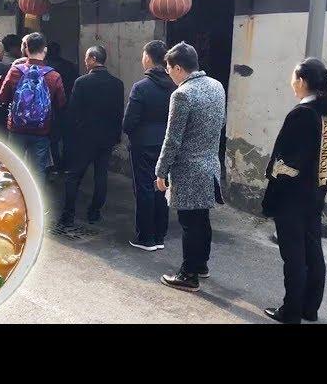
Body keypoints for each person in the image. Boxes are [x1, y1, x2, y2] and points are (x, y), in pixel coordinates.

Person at [262, 58, 327, 324]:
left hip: (292, 198)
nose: (291, 82)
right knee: (313, 251)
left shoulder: (301, 114)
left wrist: (274, 175)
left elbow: (286, 162)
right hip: (316, 195)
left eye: (294, 77)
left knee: (294, 256)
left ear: (302, 81)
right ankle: (310, 308)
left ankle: (291, 311)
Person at [155, 41, 226, 292]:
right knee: (201, 219)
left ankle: (188, 274)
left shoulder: (182, 94)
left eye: (168, 68)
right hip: (210, 164)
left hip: (188, 169)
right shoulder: (216, 85)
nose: (168, 73)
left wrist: (161, 171)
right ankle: (201, 265)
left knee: (189, 222)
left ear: (177, 68)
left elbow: (172, 138)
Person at [57, 45, 124, 227]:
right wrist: (116, 137)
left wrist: (69, 137)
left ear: (94, 58)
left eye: (87, 58)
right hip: (106, 139)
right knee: (101, 176)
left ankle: (68, 215)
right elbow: (119, 113)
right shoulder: (117, 84)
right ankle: (94, 213)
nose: (85, 62)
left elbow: (73, 112)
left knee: (74, 176)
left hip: (83, 139)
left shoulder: (82, 82)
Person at [123, 41, 176, 251]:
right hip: (166, 144)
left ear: (148, 58)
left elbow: (129, 122)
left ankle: (146, 238)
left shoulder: (141, 87)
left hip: (143, 144)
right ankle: (160, 235)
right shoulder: (175, 86)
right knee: (161, 186)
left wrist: (134, 134)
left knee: (144, 188)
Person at [0, 32, 66, 182]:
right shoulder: (54, 76)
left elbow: (2, 97)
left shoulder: (15, 70)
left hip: (16, 128)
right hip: (42, 130)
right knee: (38, 171)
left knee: (14, 168)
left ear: (26, 49)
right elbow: (61, 103)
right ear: (45, 50)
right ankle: (37, 202)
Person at [46, 42, 78, 174]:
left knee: (52, 138)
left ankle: (55, 165)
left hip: (50, 107)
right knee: (67, 137)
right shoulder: (69, 66)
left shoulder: (45, 68)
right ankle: (67, 165)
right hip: (67, 106)